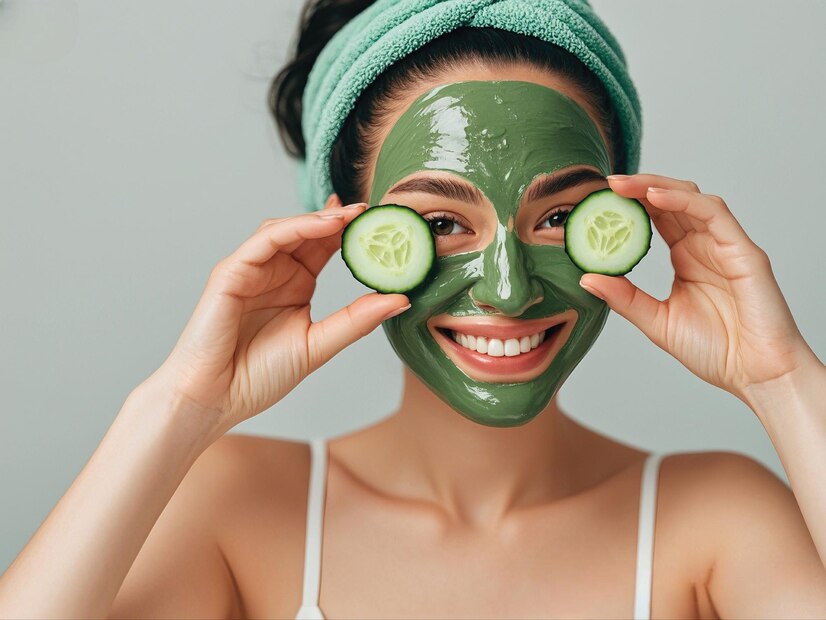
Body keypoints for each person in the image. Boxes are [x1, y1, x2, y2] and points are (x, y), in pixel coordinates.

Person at [2, 0, 825, 618]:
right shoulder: (238, 503)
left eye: (560, 217)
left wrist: (783, 377)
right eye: (438, 223)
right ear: (337, 229)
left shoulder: (717, 520)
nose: (509, 291)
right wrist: (177, 407)